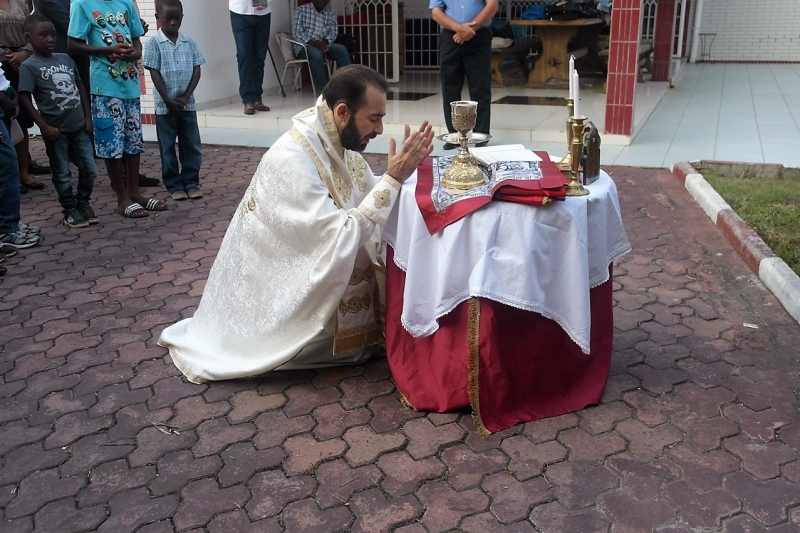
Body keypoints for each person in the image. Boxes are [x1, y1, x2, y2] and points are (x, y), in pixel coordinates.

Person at [158, 64, 434, 383]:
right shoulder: (292, 158)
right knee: (358, 346)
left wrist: (401, 180)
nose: (380, 129)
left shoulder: (335, 142)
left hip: (303, 264)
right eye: (374, 118)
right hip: (275, 293)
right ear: (342, 111)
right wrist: (393, 179)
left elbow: (368, 195)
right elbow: (340, 236)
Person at [67, 0, 167, 218]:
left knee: (133, 141)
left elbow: (137, 40)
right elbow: (73, 44)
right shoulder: (82, 4)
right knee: (111, 143)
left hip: (130, 85)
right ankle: (122, 198)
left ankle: (135, 193)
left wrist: (135, 53)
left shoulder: (126, 3)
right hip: (105, 86)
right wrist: (108, 50)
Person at [18, 13, 98, 228]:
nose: (50, 39)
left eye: (53, 35)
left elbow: (80, 86)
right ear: (28, 37)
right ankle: (69, 209)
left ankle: (83, 203)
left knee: (90, 168)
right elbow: (24, 97)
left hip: (79, 127)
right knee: (62, 173)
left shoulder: (65, 59)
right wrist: (43, 126)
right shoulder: (29, 66)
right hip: (56, 131)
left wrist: (87, 117)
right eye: (43, 35)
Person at [143, 0, 204, 202]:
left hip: (187, 105)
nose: (172, 22)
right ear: (158, 18)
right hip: (165, 107)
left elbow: (197, 69)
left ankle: (191, 183)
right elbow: (154, 72)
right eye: (167, 18)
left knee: (191, 145)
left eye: (177, 18)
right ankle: (175, 185)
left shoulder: (189, 42)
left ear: (182, 18)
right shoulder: (154, 42)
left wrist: (186, 96)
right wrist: (167, 99)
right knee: (167, 147)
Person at [431, 0, 497, 145]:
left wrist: (469, 29)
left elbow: (492, 5)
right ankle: (454, 136)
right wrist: (459, 29)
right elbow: (436, 12)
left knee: (480, 87)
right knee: (450, 87)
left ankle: (480, 135)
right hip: (450, 37)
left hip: (479, 36)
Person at [1, 0, 50, 190]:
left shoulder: (20, 2)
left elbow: (32, 29)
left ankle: (24, 172)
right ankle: (9, 175)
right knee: (4, 119)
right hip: (1, 66)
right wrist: (7, 56)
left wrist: (24, 53)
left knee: (22, 117)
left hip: (22, 64)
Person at [0, 64, 39, 249]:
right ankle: (7, 228)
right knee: (7, 166)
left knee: (7, 166)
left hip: (4, 97)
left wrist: (10, 92)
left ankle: (9, 222)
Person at [292, 0, 351, 93]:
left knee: (341, 50)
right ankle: (323, 90)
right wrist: (315, 43)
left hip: (323, 44)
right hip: (304, 45)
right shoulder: (301, 10)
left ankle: (348, 85)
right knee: (317, 54)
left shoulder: (329, 14)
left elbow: (333, 32)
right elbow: (297, 33)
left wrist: (325, 41)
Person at [229, 0, 271, 116]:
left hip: (263, 13)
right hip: (240, 12)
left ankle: (257, 98)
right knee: (244, 56)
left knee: (259, 57)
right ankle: (248, 100)